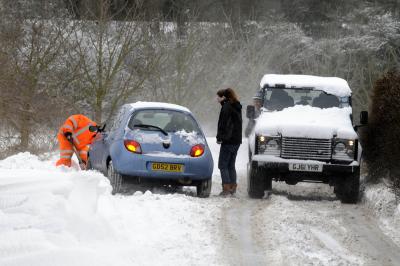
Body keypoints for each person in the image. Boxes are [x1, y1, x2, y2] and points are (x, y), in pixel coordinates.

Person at [216, 88, 243, 196]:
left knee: (222, 165)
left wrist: (220, 137)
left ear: (224, 97)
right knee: (231, 164)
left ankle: (226, 188)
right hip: (236, 140)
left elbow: (223, 124)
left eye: (218, 96)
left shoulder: (226, 107)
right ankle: (232, 187)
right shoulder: (236, 106)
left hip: (228, 140)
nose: (216, 99)